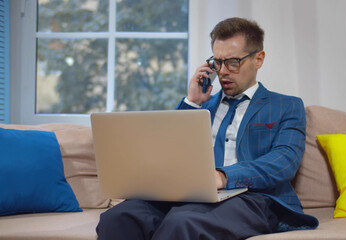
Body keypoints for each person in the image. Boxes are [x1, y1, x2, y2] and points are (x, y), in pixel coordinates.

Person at [96, 17, 318, 240]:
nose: (223, 71)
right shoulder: (202, 106)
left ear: (258, 59)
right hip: (191, 197)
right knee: (118, 217)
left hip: (254, 198)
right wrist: (192, 102)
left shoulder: (286, 105)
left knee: (183, 222)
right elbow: (167, 153)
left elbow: (284, 161)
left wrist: (224, 176)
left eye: (232, 62)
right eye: (217, 62)